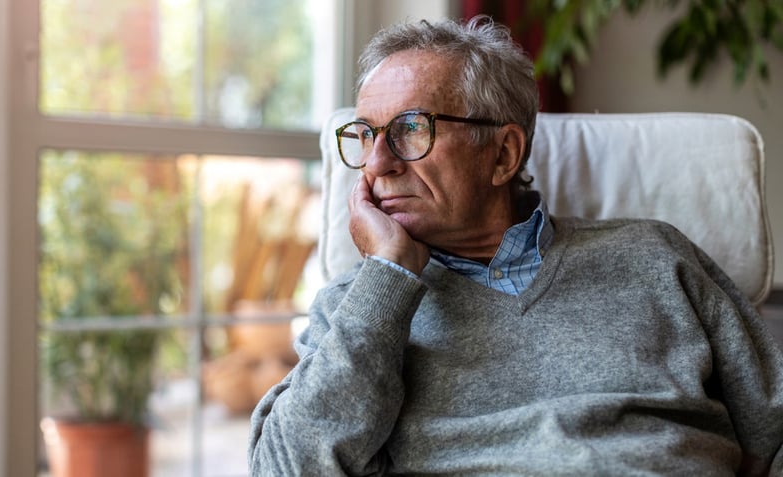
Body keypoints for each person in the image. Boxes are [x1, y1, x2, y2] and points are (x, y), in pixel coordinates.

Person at [248, 16, 783, 476]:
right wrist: (388, 276)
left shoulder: (657, 256)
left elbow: (773, 428)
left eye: (411, 128)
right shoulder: (358, 308)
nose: (376, 163)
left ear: (503, 155)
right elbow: (287, 467)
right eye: (365, 134)